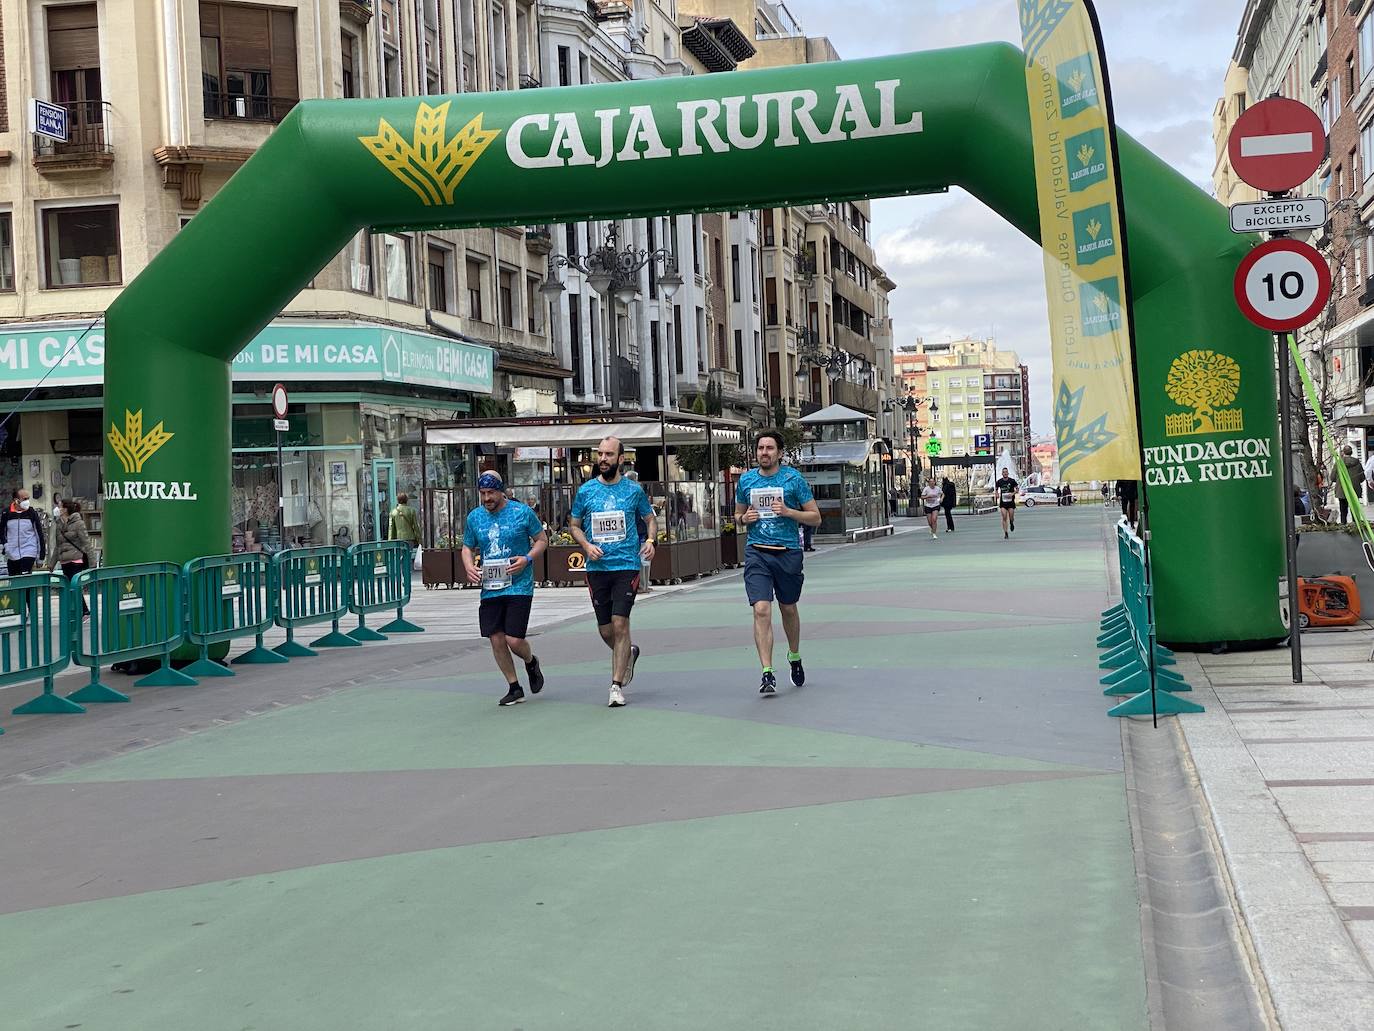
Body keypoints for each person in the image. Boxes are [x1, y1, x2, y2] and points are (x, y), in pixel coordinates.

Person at [570, 436, 656, 708]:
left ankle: (616, 685)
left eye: (608, 454)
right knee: (606, 630)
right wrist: (585, 545)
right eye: (600, 454)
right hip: (597, 568)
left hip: (626, 566)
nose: (603, 459)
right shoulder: (586, 492)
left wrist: (651, 541)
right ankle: (628, 652)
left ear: (621, 459)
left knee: (621, 624)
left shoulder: (633, 491)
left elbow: (649, 518)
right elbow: (574, 524)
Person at [735, 430, 821, 696]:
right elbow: (737, 515)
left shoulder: (793, 480)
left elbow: (815, 517)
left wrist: (788, 512)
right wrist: (743, 519)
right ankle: (767, 672)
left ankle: (794, 656)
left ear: (780, 453)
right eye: (760, 448)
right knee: (761, 609)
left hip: (787, 553)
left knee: (788, 608)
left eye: (770, 448)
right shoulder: (746, 480)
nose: (764, 452)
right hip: (757, 552)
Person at [461, 471, 548, 707]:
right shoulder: (475, 518)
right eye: (482, 494)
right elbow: (467, 547)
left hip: (519, 585)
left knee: (514, 640)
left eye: (491, 493)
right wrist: (469, 566)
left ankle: (530, 662)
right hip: (491, 586)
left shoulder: (522, 513)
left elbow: (542, 540)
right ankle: (514, 686)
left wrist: (527, 559)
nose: (487, 498)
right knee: (496, 638)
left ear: (502, 491)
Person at [53, 498, 90, 615]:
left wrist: (93, 563)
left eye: (60, 507)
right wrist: (51, 564)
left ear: (65, 509)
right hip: (64, 560)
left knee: (75, 587)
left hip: (76, 559)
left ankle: (84, 611)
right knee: (69, 588)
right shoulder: (59, 524)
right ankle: (77, 611)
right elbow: (57, 546)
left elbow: (86, 543)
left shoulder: (78, 523)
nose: (58, 509)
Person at [1, 489, 45, 575]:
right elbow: (2, 532)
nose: (27, 501)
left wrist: (41, 556)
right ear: (16, 500)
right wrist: (6, 547)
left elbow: (39, 534)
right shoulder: (6, 513)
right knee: (14, 581)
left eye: (28, 498)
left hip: (29, 551)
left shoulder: (31, 512)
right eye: (24, 499)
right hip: (12, 553)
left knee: (25, 580)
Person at [1333, 446, 1364, 523]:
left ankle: (1344, 524)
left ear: (1343, 452)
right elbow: (1362, 477)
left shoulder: (1338, 463)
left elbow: (1332, 477)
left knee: (1343, 510)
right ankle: (1356, 525)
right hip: (1354, 489)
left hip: (1341, 489)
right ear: (1351, 452)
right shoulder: (1357, 463)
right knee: (1355, 510)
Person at [995, 466, 1018, 540]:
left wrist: (1013, 493)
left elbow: (1017, 489)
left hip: (1010, 502)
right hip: (1003, 502)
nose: (1005, 473)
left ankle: (1011, 523)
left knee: (1011, 516)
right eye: (1003, 472)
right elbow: (996, 489)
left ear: (1008, 473)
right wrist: (997, 494)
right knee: (1004, 517)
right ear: (1002, 473)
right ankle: (1006, 533)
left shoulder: (1012, 481)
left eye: (1006, 472)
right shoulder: (999, 481)